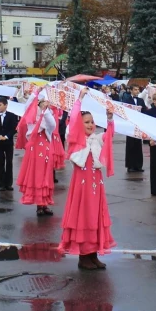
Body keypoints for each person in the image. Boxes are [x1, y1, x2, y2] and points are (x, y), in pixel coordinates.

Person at [59, 88, 116, 270]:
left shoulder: (96, 139)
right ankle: (83, 256)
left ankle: (93, 254)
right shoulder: (75, 140)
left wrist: (109, 119)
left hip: (96, 187)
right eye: (86, 122)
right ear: (79, 124)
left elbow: (109, 135)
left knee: (95, 218)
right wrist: (80, 99)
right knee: (83, 218)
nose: (91, 125)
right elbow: (73, 121)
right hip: (82, 189)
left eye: (92, 122)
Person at [17, 95, 56, 211]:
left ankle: (44, 203)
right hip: (34, 147)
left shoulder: (46, 113)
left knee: (45, 173)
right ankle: (39, 204)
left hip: (45, 146)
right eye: (40, 102)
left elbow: (52, 125)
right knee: (36, 173)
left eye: (43, 102)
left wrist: (46, 111)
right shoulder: (31, 114)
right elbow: (27, 105)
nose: (41, 104)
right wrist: (35, 93)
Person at [0, 96, 20, 193]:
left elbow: (14, 128)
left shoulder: (11, 116)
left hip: (8, 142)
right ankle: (1, 184)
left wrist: (6, 136)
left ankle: (8, 183)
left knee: (9, 162)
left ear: (5, 105)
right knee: (0, 163)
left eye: (0, 105)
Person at [121, 85, 145, 173]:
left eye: (138, 89)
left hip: (138, 126)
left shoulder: (141, 100)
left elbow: (144, 111)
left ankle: (138, 166)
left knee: (138, 145)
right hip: (130, 126)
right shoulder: (127, 101)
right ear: (131, 90)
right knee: (130, 145)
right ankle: (130, 166)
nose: (137, 91)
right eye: (135, 89)